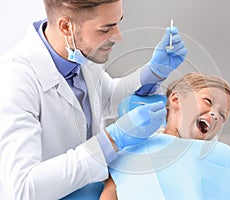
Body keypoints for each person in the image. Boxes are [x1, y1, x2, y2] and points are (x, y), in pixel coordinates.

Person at [0, 0, 187, 199]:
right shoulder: (14, 80)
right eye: (105, 29)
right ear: (66, 26)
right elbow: (21, 189)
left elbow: (105, 98)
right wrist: (112, 140)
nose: (118, 37)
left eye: (117, 23)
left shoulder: (79, 53)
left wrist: (153, 73)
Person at [100, 72, 230, 200]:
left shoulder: (221, 158)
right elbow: (110, 193)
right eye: (208, 101)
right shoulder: (137, 150)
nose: (215, 114)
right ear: (176, 99)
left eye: (222, 115)